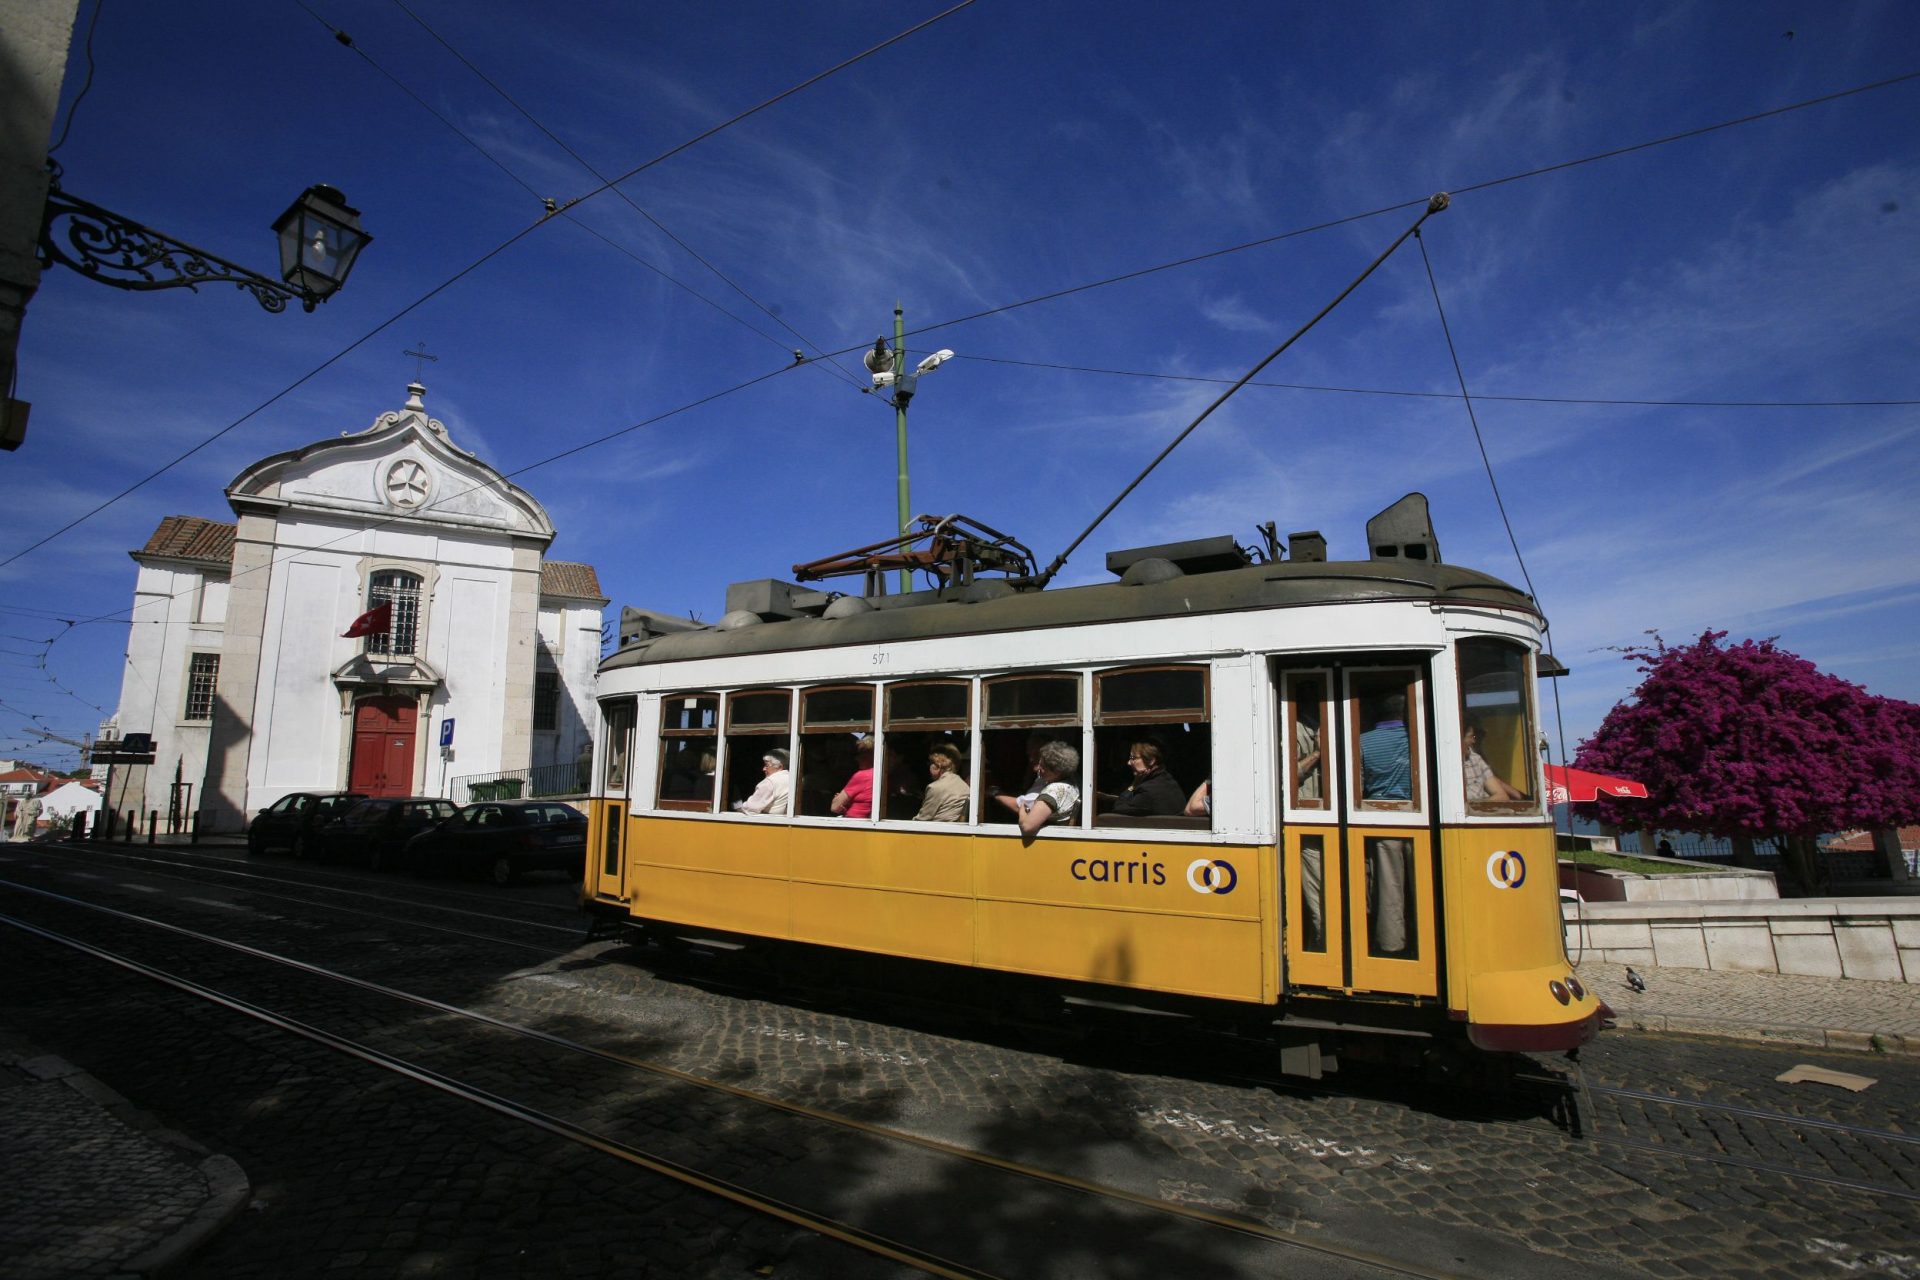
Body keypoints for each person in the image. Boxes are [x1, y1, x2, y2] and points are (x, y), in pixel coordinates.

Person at [1358, 693, 1411, 954]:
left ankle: (1391, 945)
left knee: (1389, 887)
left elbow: (1356, 787)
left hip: (1381, 822)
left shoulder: (1363, 742)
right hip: (1418, 821)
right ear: (1404, 714)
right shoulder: (1416, 739)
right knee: (1421, 886)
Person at [991, 740, 1079, 839]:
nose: (1037, 769)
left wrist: (1022, 810)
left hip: (1051, 842)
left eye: (1043, 767)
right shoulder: (1070, 783)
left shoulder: (1053, 791)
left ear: (1057, 772)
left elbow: (1027, 827)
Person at [1104, 740, 1184, 816]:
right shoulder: (1169, 781)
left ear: (1151, 761)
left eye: (1133, 758)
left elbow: (1118, 808)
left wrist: (1133, 785)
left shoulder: (1147, 790)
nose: (1128, 763)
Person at [1461, 717, 1523, 803]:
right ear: (1459, 739)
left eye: (1476, 737)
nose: (1474, 741)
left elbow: (1501, 794)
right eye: (1472, 736)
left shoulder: (1476, 759)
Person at [913, 742, 970, 822]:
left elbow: (922, 819)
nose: (928, 766)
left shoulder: (935, 787)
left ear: (937, 766)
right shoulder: (965, 786)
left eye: (930, 763)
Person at [733, 749, 792, 815]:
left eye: (766, 765)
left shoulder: (769, 782)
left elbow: (750, 809)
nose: (763, 769)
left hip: (768, 822)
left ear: (780, 766)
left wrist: (735, 804)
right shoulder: (792, 779)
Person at [830, 737, 875, 819]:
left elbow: (835, 807)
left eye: (862, 755)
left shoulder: (862, 775)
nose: (857, 759)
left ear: (872, 756)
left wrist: (842, 800)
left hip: (852, 822)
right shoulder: (879, 774)